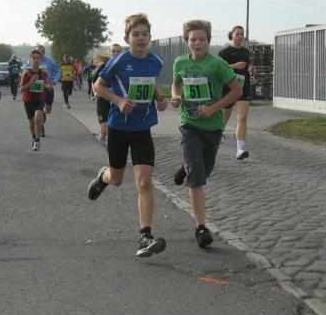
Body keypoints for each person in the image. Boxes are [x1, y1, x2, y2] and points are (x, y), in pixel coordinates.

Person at [86, 14, 168, 258]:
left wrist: (160, 98)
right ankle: (103, 177)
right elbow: (98, 87)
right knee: (117, 179)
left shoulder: (156, 61)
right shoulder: (119, 61)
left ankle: (145, 236)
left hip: (142, 128)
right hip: (119, 128)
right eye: (136, 34)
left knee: (144, 181)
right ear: (127, 38)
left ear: (150, 37)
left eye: (145, 34)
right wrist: (119, 100)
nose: (141, 38)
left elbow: (151, 82)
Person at [171, 19, 241, 248]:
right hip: (189, 124)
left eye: (201, 39)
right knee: (197, 177)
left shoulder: (218, 64)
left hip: (212, 127)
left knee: (205, 170)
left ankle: (186, 167)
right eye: (193, 39)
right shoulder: (180, 62)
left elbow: (236, 91)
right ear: (187, 42)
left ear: (208, 41)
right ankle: (201, 227)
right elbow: (175, 84)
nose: (197, 43)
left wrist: (213, 108)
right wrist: (176, 96)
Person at [220, 25, 255, 160]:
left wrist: (251, 69)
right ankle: (214, 141)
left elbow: (246, 68)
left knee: (242, 118)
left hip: (242, 88)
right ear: (232, 35)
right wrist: (234, 66)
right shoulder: (224, 52)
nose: (240, 36)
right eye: (237, 34)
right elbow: (219, 69)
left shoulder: (246, 52)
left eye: (242, 34)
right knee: (224, 119)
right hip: (228, 88)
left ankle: (240, 149)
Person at [19, 49, 49, 151]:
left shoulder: (43, 73)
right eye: (34, 58)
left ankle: (37, 141)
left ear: (40, 60)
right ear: (30, 60)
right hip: (28, 100)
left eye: (38, 58)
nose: (36, 60)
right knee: (32, 122)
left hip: (40, 100)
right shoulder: (26, 74)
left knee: (38, 118)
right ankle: (33, 136)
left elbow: (45, 84)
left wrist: (47, 86)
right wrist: (31, 82)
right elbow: (21, 89)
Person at [37, 44, 60, 137]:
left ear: (44, 52)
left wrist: (54, 81)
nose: (40, 53)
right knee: (39, 108)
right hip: (38, 88)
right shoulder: (32, 61)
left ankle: (43, 113)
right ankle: (41, 128)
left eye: (42, 51)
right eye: (39, 51)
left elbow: (58, 71)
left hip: (48, 87)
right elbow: (26, 70)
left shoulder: (50, 61)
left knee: (48, 110)